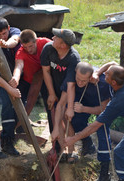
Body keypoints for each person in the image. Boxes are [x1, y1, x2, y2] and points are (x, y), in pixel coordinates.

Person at [57, 62, 113, 181]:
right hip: (80, 102)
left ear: (91, 77)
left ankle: (104, 169)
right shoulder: (71, 77)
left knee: (101, 130)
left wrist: (84, 109)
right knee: (74, 121)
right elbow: (62, 103)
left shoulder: (102, 83)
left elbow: (104, 110)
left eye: (84, 81)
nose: (80, 83)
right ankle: (87, 143)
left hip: (94, 106)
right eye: (78, 79)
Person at [40, 28, 95, 156]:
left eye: (56, 37)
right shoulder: (48, 48)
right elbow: (46, 71)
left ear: (63, 45)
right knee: (54, 116)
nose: (52, 38)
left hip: (67, 88)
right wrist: (51, 94)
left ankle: (71, 151)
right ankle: (60, 147)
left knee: (66, 116)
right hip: (51, 85)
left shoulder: (73, 58)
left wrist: (70, 108)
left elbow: (70, 85)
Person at [0, 17, 21, 156]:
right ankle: (7, 141)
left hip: (19, 77)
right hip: (2, 76)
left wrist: (5, 44)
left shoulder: (15, 31)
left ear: (8, 28)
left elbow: (14, 41)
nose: (2, 37)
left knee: (20, 105)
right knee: (8, 104)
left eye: (4, 33)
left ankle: (12, 133)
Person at [10, 29, 51, 118]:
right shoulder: (20, 52)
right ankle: (18, 126)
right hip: (29, 81)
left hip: (47, 79)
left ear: (36, 41)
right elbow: (18, 66)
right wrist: (15, 78)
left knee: (50, 106)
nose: (28, 50)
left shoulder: (45, 43)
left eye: (31, 46)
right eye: (25, 47)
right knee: (19, 104)